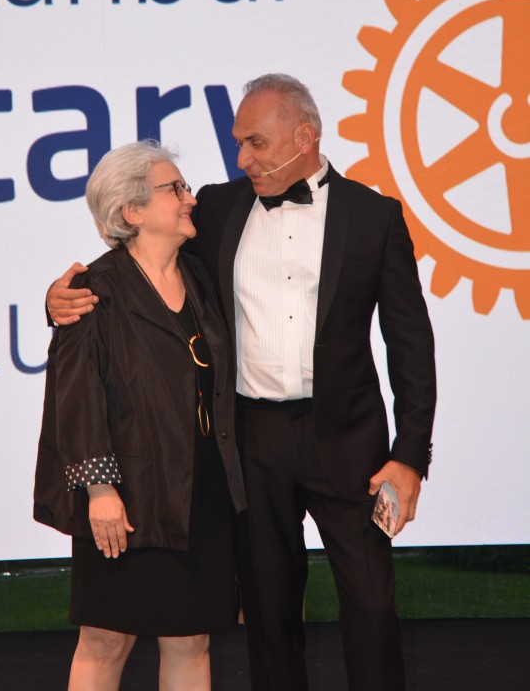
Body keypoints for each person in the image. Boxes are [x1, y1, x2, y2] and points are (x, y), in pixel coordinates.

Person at [46, 74, 437, 691]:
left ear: (304, 137)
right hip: (250, 444)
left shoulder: (374, 216)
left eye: (256, 143)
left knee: (371, 604)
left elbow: (411, 345)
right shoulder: (217, 209)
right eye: (238, 144)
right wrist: (57, 301)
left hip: (349, 443)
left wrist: (409, 455)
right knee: (267, 611)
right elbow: (133, 270)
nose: (242, 159)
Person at [34, 141, 246, 691]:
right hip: (127, 499)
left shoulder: (201, 276)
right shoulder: (92, 290)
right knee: (106, 640)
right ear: (132, 210)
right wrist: (100, 490)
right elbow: (75, 400)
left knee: (192, 640)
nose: (190, 198)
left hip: (203, 493)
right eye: (175, 189)